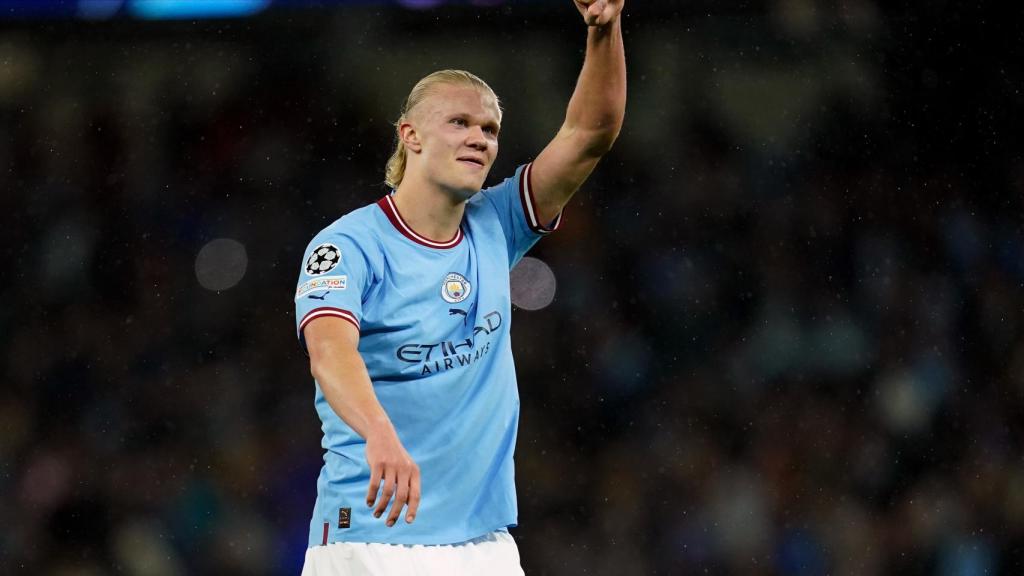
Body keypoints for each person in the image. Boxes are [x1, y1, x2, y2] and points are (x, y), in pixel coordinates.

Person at [294, 0, 625, 573]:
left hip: (482, 542)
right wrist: (379, 433)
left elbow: (590, 133)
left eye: (490, 129)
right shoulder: (348, 245)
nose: (480, 138)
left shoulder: (498, 223)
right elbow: (329, 351)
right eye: (460, 123)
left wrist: (605, 28)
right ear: (411, 135)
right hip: (372, 533)